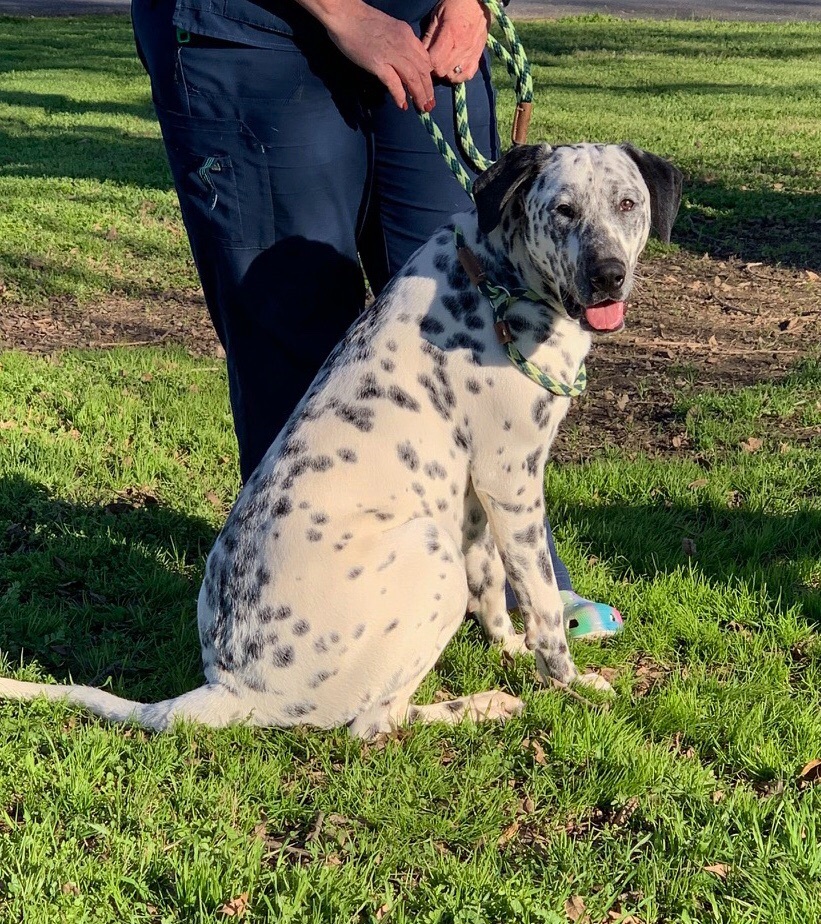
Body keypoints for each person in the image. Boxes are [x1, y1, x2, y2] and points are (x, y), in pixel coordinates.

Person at [130, 0, 622, 639]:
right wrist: (345, 16)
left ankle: (509, 587)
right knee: (295, 334)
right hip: (254, 31)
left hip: (425, 25)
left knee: (480, 294)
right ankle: (304, 627)